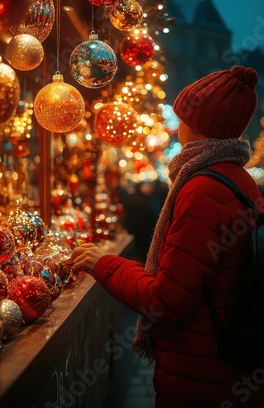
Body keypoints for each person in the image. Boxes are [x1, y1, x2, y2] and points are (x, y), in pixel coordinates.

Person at [70, 65, 264, 408]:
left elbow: (167, 303)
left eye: (182, 116)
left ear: (200, 125)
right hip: (226, 367)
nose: (176, 125)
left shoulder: (203, 189)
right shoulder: (237, 178)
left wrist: (105, 264)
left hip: (202, 378)